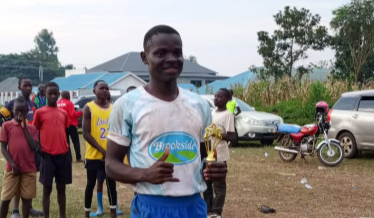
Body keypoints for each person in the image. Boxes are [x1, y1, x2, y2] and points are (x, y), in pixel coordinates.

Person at [105, 25, 227, 218]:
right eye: (161, 53)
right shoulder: (127, 105)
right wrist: (145, 174)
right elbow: (111, 164)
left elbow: (204, 158)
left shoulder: (199, 105)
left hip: (193, 206)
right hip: (151, 207)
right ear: (144, 57)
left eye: (177, 53)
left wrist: (214, 169)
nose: (171, 59)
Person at [0, 78, 43, 218]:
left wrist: (26, 128)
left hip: (29, 146)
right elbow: (2, 117)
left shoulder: (32, 104)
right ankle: (15, 210)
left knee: (27, 193)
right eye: (25, 85)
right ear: (19, 87)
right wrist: (8, 124)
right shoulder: (12, 104)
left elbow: (33, 144)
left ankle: (27, 209)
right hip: (13, 162)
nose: (29, 88)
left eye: (31, 85)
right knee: (7, 194)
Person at [83, 80, 121, 218]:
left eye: (106, 88)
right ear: (94, 90)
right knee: (91, 183)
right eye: (101, 88)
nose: (104, 90)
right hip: (93, 155)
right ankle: (86, 212)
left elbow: (117, 131)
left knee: (111, 184)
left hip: (110, 155)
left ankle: (113, 212)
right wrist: (102, 150)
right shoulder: (89, 107)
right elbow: (86, 134)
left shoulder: (114, 108)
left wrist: (110, 152)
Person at [33, 82, 72, 218]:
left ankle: (62, 215)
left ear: (59, 94)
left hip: (63, 155)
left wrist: (68, 151)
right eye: (50, 93)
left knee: (61, 188)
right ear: (45, 94)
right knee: (46, 189)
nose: (53, 96)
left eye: (56, 93)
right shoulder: (39, 112)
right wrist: (39, 148)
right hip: (47, 156)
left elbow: (64, 132)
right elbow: (35, 130)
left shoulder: (63, 113)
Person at [203, 88, 236, 218]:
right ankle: (208, 209)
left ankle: (217, 211)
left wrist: (216, 133)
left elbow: (232, 136)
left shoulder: (228, 115)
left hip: (220, 155)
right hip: (209, 153)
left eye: (220, 96)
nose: (216, 98)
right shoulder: (212, 112)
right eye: (215, 96)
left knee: (219, 185)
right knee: (206, 183)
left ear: (227, 99)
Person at [57, 91, 84, 162]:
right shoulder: (69, 103)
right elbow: (72, 114)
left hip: (62, 125)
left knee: (66, 142)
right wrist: (80, 113)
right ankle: (78, 157)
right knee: (76, 141)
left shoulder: (58, 103)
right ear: (68, 96)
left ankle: (69, 158)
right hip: (71, 124)